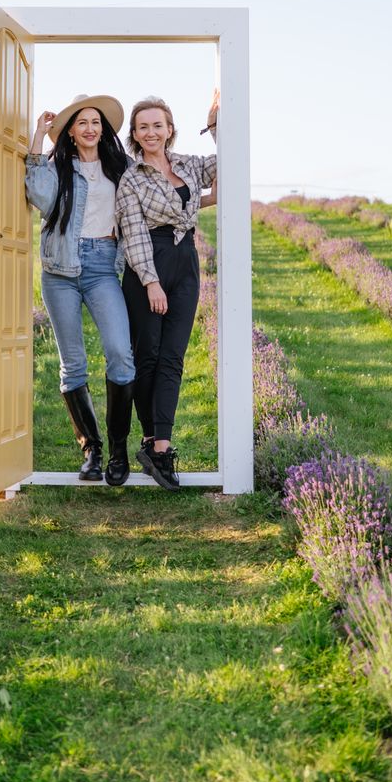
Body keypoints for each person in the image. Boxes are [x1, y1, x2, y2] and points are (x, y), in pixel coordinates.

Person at [25, 94, 136, 485]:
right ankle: (92, 448)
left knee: (121, 354)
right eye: (82, 122)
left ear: (103, 129)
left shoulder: (122, 167)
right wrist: (38, 136)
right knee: (72, 363)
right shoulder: (58, 168)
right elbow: (38, 197)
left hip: (103, 265)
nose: (90, 128)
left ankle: (119, 453)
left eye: (96, 122)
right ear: (70, 131)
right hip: (60, 269)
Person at [115, 92, 219, 491]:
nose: (152, 132)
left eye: (158, 125)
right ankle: (149, 440)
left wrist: (216, 127)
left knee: (173, 357)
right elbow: (134, 234)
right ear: (136, 135)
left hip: (186, 262)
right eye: (144, 127)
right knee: (149, 356)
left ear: (170, 129)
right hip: (150, 265)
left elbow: (228, 165)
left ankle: (161, 447)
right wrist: (151, 281)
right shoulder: (131, 178)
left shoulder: (189, 165)